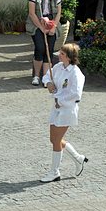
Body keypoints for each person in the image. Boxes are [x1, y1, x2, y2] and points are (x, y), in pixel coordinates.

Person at [40, 43, 88, 182]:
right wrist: (48, 84)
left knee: (55, 140)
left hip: (67, 109)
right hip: (56, 108)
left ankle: (54, 172)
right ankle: (78, 158)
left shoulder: (76, 73)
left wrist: (60, 100)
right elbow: (48, 76)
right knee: (54, 139)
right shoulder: (58, 67)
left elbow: (76, 94)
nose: (58, 55)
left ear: (68, 57)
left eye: (61, 54)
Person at [27, 0, 62, 86]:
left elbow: (58, 13)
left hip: (51, 22)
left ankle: (46, 77)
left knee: (49, 50)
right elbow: (32, 14)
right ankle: (36, 76)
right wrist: (41, 28)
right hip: (37, 22)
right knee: (40, 48)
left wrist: (53, 27)